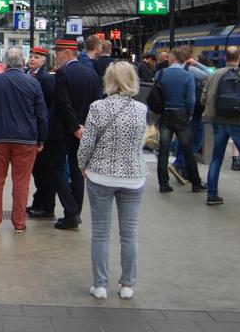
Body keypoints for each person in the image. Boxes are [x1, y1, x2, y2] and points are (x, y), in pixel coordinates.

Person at [78, 61, 148, 300]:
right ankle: (127, 285)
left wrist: (82, 164)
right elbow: (140, 142)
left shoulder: (97, 107)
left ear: (108, 80)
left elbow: (87, 143)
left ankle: (100, 285)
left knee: (100, 232)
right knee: (129, 233)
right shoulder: (141, 109)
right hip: (133, 177)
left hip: (101, 175)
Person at [0, 47, 47, 232]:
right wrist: (41, 140)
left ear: (5, 62)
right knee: (22, 182)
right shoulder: (33, 83)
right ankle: (19, 223)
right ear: (23, 62)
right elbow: (41, 115)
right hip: (26, 140)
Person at [45, 37, 101, 230]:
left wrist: (74, 127)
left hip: (62, 132)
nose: (56, 56)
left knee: (55, 168)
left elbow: (64, 103)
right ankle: (74, 212)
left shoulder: (63, 74)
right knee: (78, 172)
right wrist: (85, 127)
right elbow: (96, 104)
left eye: (58, 52)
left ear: (68, 53)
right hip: (84, 132)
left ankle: (71, 211)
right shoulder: (91, 74)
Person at [202, 46, 240, 206]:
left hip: (219, 120)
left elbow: (204, 96)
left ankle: (212, 195)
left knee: (217, 157)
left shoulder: (215, 73)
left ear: (224, 58)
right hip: (239, 121)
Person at [154, 48, 206, 193]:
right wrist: (189, 113)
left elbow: (156, 95)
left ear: (172, 58)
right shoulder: (187, 76)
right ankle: (195, 182)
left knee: (163, 150)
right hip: (181, 115)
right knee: (188, 150)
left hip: (165, 115)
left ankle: (163, 184)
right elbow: (191, 99)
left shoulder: (160, 74)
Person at [26, 46, 56, 219]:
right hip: (32, 130)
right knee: (36, 171)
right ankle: (38, 203)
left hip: (42, 131)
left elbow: (51, 106)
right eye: (31, 56)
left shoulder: (45, 79)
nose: (32, 59)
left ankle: (47, 207)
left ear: (44, 61)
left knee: (44, 171)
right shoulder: (28, 75)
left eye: (36, 57)